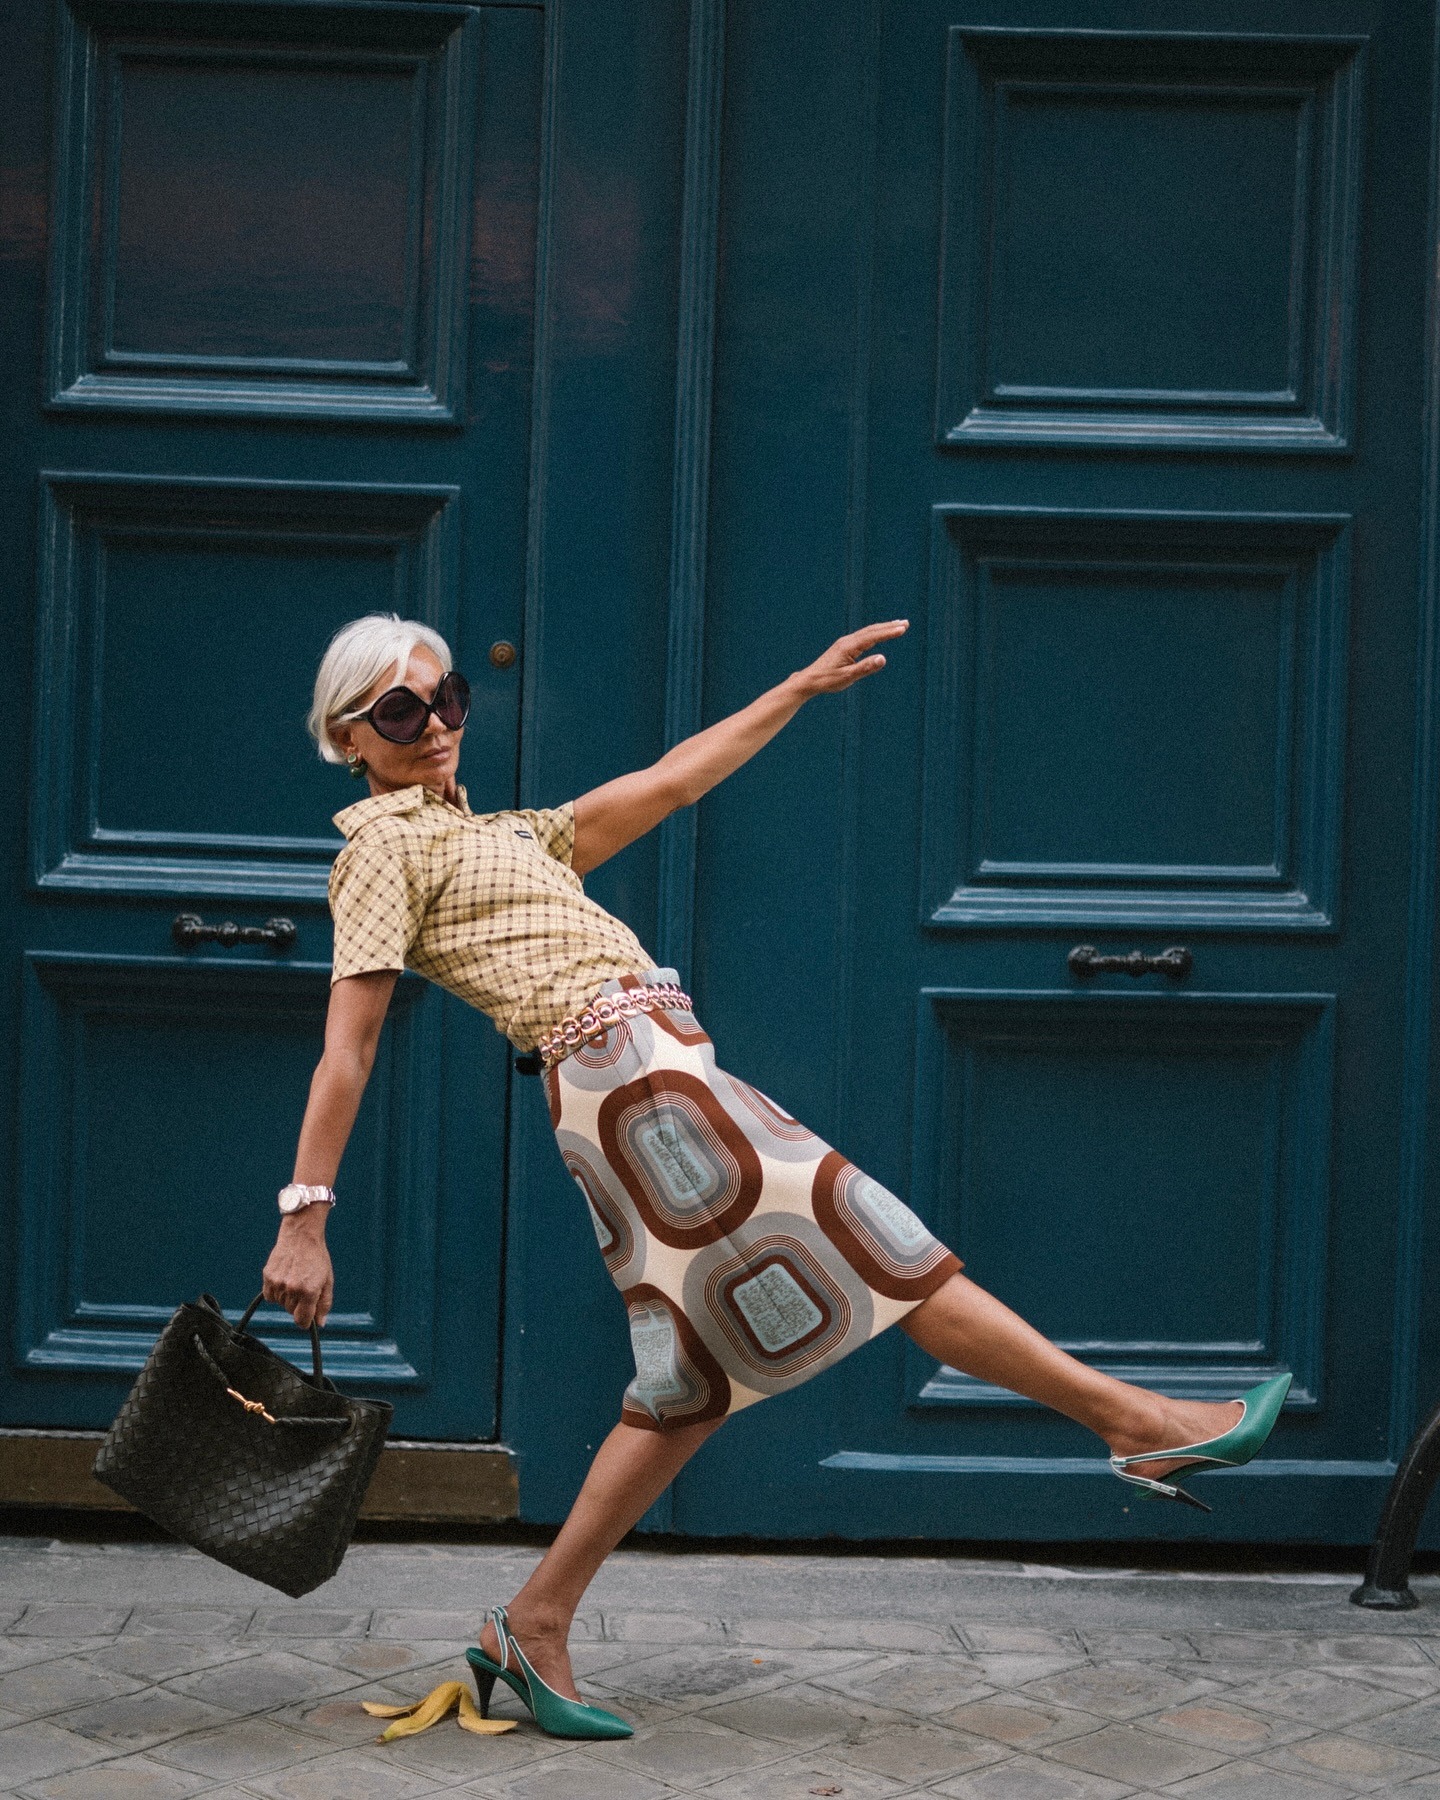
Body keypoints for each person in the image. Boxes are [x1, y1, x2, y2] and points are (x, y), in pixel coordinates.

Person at [262, 611, 1289, 1741]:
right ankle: (1132, 1421)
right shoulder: (377, 849)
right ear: (348, 736)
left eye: (447, 697)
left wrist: (794, 689)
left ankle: (533, 1621)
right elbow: (348, 1046)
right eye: (402, 713)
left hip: (659, 1078)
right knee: (874, 1241)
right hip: (633, 1092)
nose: (437, 726)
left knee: (691, 1379)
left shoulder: (508, 835)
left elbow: (663, 782)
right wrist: (304, 1218)